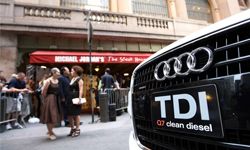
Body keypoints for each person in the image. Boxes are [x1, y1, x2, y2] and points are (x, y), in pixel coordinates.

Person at [40, 68, 62, 140]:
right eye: (58, 72)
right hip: (50, 99)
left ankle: (50, 131)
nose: (59, 73)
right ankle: (50, 132)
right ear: (54, 73)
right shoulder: (48, 81)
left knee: (55, 116)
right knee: (50, 116)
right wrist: (45, 100)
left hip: (56, 99)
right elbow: (43, 92)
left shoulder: (57, 80)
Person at [66, 65, 84, 137]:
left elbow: (81, 89)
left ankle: (77, 129)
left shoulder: (79, 79)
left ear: (76, 71)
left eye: (72, 70)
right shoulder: (72, 79)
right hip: (70, 97)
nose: (71, 72)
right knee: (70, 114)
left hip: (76, 97)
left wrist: (80, 98)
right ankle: (72, 128)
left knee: (76, 114)